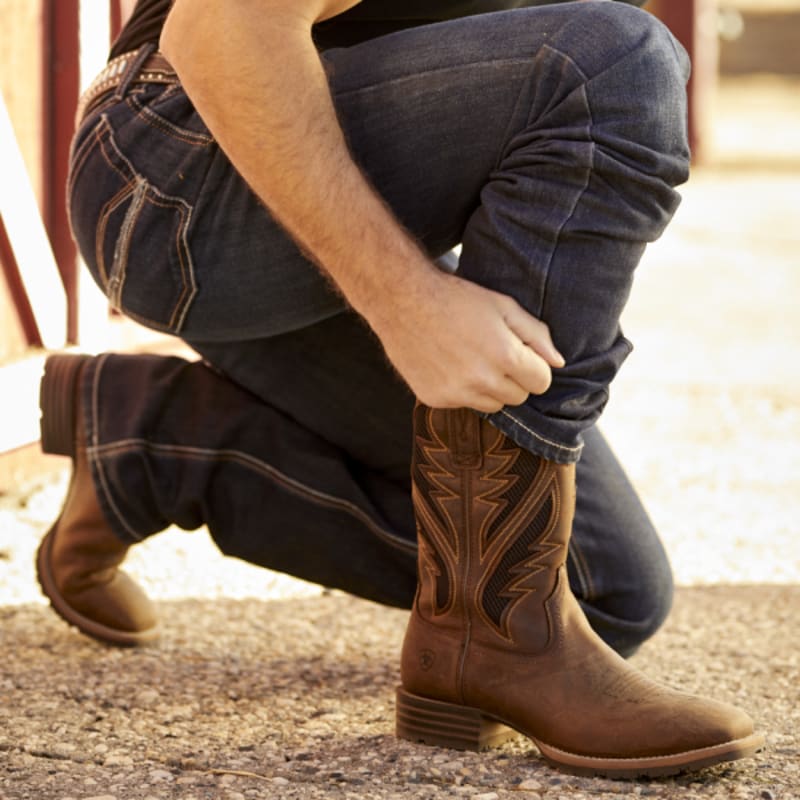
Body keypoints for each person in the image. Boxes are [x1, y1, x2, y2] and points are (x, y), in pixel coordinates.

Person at [36, 0, 764, 778]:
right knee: (610, 62)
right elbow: (221, 33)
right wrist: (406, 305)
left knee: (609, 592)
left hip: (296, 215)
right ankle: (497, 636)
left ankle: (151, 444)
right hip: (175, 178)